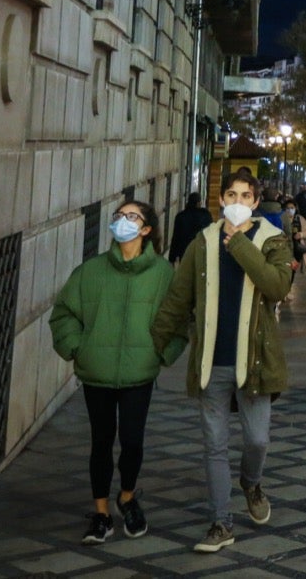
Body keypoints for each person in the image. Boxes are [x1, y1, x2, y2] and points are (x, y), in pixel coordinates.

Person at [150, 168, 293, 554]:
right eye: (230, 195)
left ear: (255, 202)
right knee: (213, 446)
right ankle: (221, 522)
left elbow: (277, 286)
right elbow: (179, 298)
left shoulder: (272, 240)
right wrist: (155, 344)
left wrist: (239, 244)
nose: (236, 202)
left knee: (257, 440)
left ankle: (251, 482)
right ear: (221, 199)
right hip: (211, 362)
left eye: (245, 196)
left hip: (255, 364)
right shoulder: (203, 241)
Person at [51, 200, 182, 545]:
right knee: (101, 442)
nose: (123, 221)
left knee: (133, 441)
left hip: (140, 374)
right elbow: (63, 313)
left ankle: (126, 496)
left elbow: (180, 318)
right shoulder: (90, 272)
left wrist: (161, 353)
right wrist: (78, 349)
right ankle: (101, 513)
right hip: (97, 373)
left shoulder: (163, 274)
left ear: (146, 229)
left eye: (132, 216)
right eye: (119, 216)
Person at [168, 193, 212, 265]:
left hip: (184, 253)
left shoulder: (180, 216)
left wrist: (172, 258)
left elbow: (176, 238)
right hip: (201, 251)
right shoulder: (206, 215)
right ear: (198, 203)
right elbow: (211, 233)